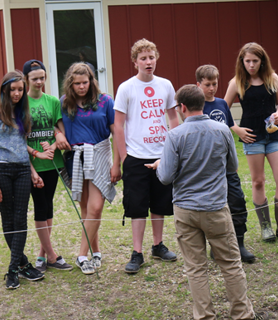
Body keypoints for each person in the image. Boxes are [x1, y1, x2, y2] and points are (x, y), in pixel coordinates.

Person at [153, 85, 270, 320]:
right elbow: (232, 166)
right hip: (216, 208)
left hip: (185, 210)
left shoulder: (175, 135)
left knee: (195, 268)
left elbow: (165, 178)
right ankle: (244, 319)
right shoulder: (221, 130)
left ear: (182, 108)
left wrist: (161, 164)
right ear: (203, 105)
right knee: (230, 263)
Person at [224, 42, 278, 242]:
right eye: (247, 61)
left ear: (262, 61)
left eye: (255, 61)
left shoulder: (272, 78)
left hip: (273, 135)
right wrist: (237, 130)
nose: (251, 65)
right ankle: (265, 227)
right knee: (258, 181)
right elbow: (222, 110)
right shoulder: (236, 82)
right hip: (252, 137)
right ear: (242, 61)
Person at [114, 39, 179, 274]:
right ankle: (137, 252)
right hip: (136, 155)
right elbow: (118, 125)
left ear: (156, 58)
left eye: (151, 57)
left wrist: (171, 151)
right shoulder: (126, 88)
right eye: (143, 58)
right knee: (137, 205)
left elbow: (173, 118)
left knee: (160, 203)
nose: (148, 62)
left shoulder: (166, 85)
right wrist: (124, 157)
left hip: (162, 155)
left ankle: (158, 245)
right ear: (135, 62)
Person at [0, 71, 46, 290]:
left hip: (21, 170)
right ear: (4, 90)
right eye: (13, 90)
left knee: (20, 219)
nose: (17, 93)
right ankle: (23, 264)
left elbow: (22, 148)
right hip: (1, 170)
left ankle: (13, 270)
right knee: (8, 219)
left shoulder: (23, 114)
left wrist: (32, 172)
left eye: (20, 89)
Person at [60, 62, 119, 275]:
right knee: (85, 209)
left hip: (100, 154)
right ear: (71, 84)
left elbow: (117, 133)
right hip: (76, 156)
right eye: (77, 83)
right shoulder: (65, 102)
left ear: (91, 81)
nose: (81, 87)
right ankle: (96, 252)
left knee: (95, 207)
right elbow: (58, 124)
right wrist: (58, 134)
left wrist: (117, 163)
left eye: (85, 82)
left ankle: (81, 255)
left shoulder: (105, 101)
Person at [195, 64, 256, 263]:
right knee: (212, 208)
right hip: (207, 167)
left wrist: (237, 133)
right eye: (207, 85)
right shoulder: (196, 107)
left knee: (237, 201)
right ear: (198, 85)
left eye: (214, 84)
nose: (212, 88)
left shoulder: (222, 104)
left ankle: (239, 244)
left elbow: (230, 127)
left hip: (226, 164)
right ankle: (216, 247)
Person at [23, 59, 73, 273]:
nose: (39, 82)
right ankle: (52, 256)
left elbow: (61, 130)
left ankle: (43, 256)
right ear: (27, 80)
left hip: (53, 162)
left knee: (49, 207)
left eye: (42, 78)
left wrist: (53, 145)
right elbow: (19, 139)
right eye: (35, 79)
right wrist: (35, 160)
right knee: (40, 208)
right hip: (34, 165)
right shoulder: (21, 104)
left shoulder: (53, 101)